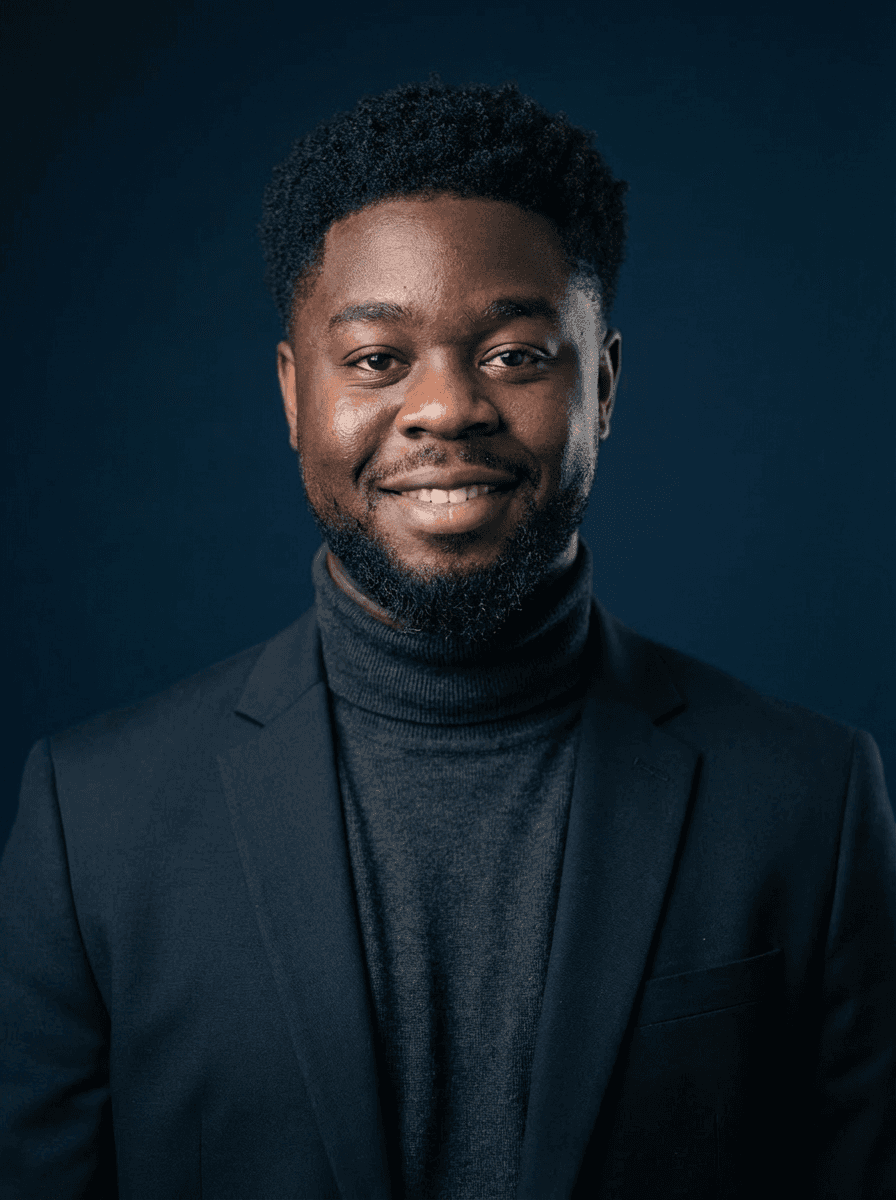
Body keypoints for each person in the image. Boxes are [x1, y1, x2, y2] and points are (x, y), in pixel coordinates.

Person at [1, 76, 894, 1200]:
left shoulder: (808, 803)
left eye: (515, 355)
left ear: (602, 385)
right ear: (294, 395)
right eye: (377, 359)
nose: (447, 408)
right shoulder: (93, 824)